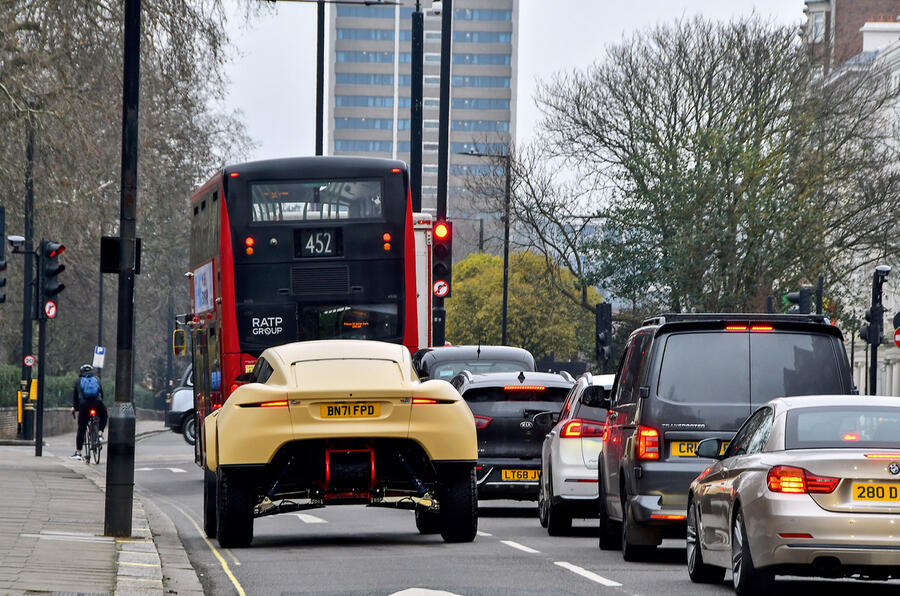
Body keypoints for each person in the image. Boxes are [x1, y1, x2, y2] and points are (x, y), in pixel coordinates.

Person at [71, 364, 108, 460]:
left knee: (81, 429)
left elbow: (76, 397)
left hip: (84, 405)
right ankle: (100, 433)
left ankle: (78, 453)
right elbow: (101, 393)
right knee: (104, 416)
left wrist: (75, 408)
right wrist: (100, 404)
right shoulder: (97, 379)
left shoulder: (78, 381)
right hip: (97, 403)